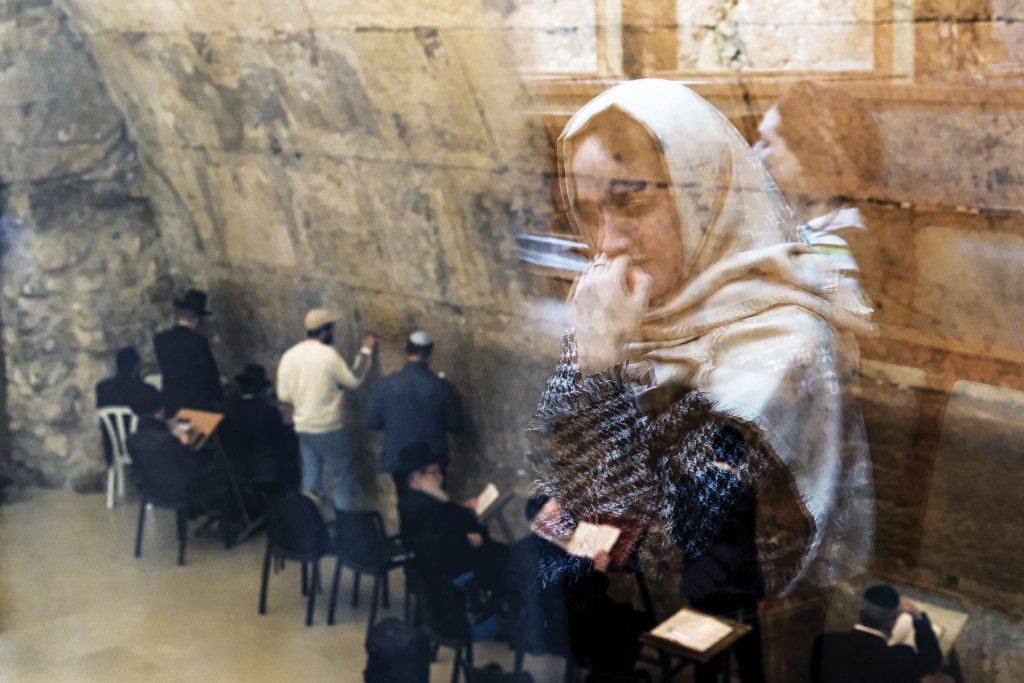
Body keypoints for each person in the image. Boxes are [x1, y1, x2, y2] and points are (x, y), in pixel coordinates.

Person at [526, 80, 877, 680]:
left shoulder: (780, 342)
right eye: (588, 212)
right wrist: (593, 367)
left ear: (703, 193)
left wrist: (597, 372)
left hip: (729, 645)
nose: (607, 241)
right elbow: (547, 464)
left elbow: (667, 549)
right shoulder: (623, 316)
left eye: (632, 201)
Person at [276, 308, 376, 511]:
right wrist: (366, 351)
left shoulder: (290, 355)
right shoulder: (327, 355)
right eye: (332, 328)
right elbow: (354, 379)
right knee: (343, 477)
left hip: (303, 427)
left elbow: (284, 395)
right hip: (327, 428)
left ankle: (309, 527)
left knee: (310, 480)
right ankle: (345, 529)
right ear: (325, 330)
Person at [397, 442, 507, 594]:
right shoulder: (422, 509)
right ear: (416, 478)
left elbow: (446, 516)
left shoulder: (417, 497)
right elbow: (438, 548)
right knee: (509, 561)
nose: (440, 477)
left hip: (447, 562)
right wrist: (469, 541)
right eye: (434, 472)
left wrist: (465, 509)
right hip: (448, 571)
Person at [367, 330, 463, 492]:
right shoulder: (440, 386)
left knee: (407, 507)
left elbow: (373, 422)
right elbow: (454, 425)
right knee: (434, 507)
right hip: (431, 461)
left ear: (407, 350)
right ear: (429, 353)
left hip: (399, 459)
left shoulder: (387, 384)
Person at [810, 585, 941, 683]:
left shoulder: (827, 643)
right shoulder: (899, 661)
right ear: (892, 622)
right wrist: (918, 617)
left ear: (861, 613)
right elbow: (932, 658)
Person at [125, 390, 226, 517]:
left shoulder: (132, 440)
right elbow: (188, 462)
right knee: (223, 471)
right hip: (182, 491)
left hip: (152, 491)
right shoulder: (166, 440)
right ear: (160, 412)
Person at [221, 364, 296, 494]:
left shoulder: (228, 411)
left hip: (236, 471)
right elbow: (281, 439)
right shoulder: (268, 410)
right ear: (262, 388)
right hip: (266, 471)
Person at [154, 289, 224, 415]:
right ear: (197, 319)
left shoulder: (160, 339)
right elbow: (209, 374)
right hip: (196, 406)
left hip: (171, 404)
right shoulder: (198, 341)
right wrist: (219, 397)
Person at [96, 346, 161, 465]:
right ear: (137, 367)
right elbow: (159, 413)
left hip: (112, 450)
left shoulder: (102, 388)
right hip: (140, 449)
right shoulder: (146, 390)